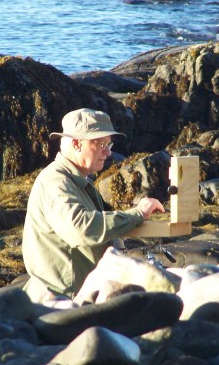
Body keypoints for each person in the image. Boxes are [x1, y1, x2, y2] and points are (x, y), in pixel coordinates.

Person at [21, 108, 165, 301]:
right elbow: (82, 228)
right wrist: (137, 214)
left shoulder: (75, 179)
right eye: (101, 144)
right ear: (76, 144)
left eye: (109, 144)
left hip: (73, 295)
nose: (108, 152)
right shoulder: (56, 183)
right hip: (60, 300)